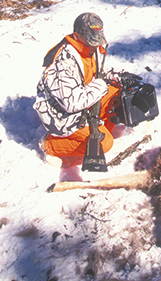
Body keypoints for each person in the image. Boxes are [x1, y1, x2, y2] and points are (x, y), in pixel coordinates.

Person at [34, 12, 122, 176]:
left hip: (84, 101)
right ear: (76, 35)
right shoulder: (63, 62)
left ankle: (98, 130)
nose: (95, 45)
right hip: (63, 114)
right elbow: (72, 103)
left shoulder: (89, 48)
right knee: (104, 144)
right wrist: (102, 85)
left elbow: (96, 74)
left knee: (118, 94)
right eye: (91, 40)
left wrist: (116, 77)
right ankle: (51, 144)